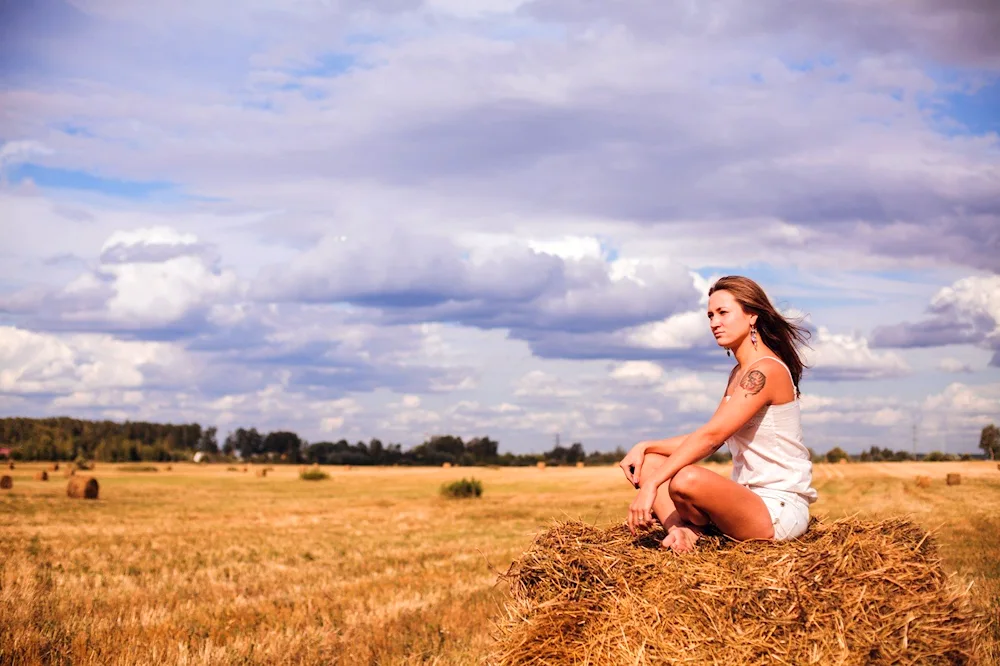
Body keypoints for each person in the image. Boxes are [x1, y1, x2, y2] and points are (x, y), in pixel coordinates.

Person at [619, 275, 817, 552]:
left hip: (778, 508)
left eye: (723, 313)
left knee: (685, 480)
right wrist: (645, 447)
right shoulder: (740, 373)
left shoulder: (765, 370)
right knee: (652, 461)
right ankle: (680, 532)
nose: (714, 322)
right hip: (746, 498)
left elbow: (712, 437)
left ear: (752, 316)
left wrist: (651, 486)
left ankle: (687, 528)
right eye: (710, 315)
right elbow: (714, 434)